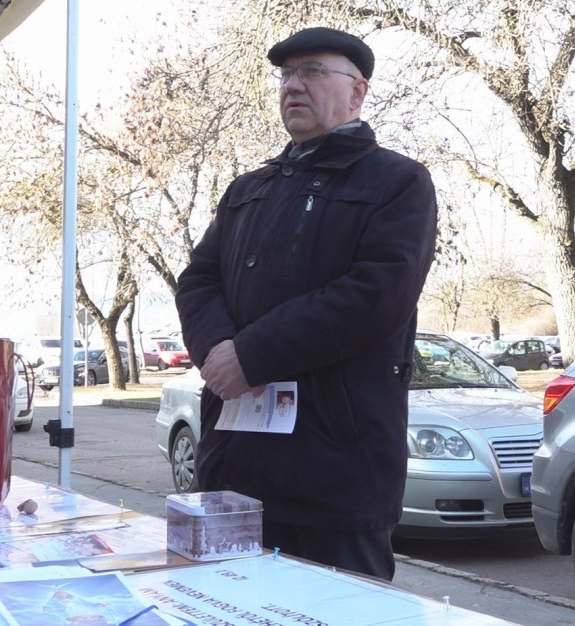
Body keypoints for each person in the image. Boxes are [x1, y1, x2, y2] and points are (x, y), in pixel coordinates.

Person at [175, 27, 438, 581]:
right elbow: (198, 280)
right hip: (234, 467)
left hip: (333, 478)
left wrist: (252, 356)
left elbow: (376, 295)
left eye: (313, 71)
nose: (293, 85)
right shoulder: (248, 190)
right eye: (287, 75)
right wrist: (218, 349)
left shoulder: (398, 182)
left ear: (358, 92)